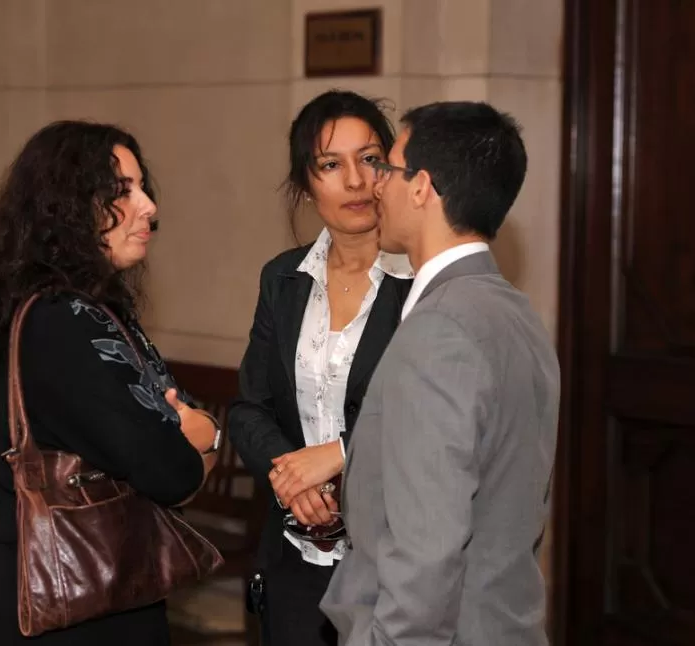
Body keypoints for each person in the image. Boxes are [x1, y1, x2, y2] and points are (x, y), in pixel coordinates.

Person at [0, 120, 220, 645]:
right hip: (69, 602)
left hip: (86, 585)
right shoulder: (64, 321)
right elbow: (170, 469)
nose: (148, 206)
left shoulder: (77, 311)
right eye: (122, 192)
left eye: (143, 187)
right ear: (67, 208)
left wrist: (186, 431)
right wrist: (207, 436)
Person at [320, 101, 561, 646]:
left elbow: (426, 556)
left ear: (422, 187)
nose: (376, 185)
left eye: (389, 168)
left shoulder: (442, 332)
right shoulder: (519, 315)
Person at [228, 89, 413, 646]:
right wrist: (290, 476)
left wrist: (333, 459)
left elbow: (431, 421)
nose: (356, 180)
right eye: (331, 165)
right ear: (307, 185)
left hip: (395, 563)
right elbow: (249, 407)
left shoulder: (424, 284)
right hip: (297, 555)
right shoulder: (283, 278)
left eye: (371, 158)